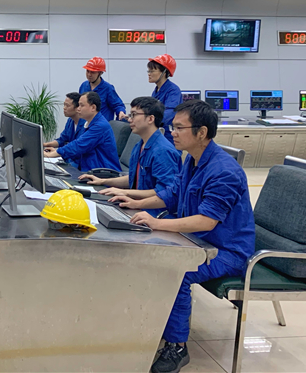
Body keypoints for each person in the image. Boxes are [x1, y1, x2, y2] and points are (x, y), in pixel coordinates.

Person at [109, 100, 255, 373]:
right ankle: (147, 323)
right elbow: (171, 194)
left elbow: (206, 220)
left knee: (177, 270)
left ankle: (177, 347)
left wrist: (158, 223)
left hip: (225, 251)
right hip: (197, 240)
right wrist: (136, 203)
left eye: (179, 128)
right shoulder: (193, 161)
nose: (172, 133)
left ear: (201, 133)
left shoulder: (224, 171)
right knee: (142, 251)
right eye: (172, 127)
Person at [79, 96, 181, 216]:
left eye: (134, 115)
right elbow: (134, 178)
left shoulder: (163, 151)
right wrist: (103, 181)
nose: (129, 119)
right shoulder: (140, 145)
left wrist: (126, 193)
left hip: (153, 215)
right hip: (136, 207)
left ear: (150, 119)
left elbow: (164, 192)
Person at [44, 91, 120, 172]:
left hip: (102, 172)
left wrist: (52, 154)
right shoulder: (89, 123)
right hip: (89, 168)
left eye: (81, 105)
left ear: (93, 107)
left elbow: (78, 145)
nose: (78, 108)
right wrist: (56, 152)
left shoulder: (100, 126)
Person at [43, 92, 85, 167]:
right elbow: (62, 140)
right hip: (70, 158)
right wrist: (45, 144)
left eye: (67, 105)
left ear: (77, 108)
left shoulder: (85, 124)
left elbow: (76, 147)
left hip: (79, 162)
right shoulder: (70, 121)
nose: (64, 108)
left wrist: (55, 153)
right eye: (64, 105)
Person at [79, 57, 126, 121]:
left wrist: (121, 112)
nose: (89, 74)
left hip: (101, 125)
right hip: (85, 124)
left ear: (100, 73)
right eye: (87, 71)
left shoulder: (108, 88)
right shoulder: (83, 86)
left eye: (93, 72)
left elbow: (117, 105)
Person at [149, 54, 181, 146]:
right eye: (149, 71)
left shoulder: (173, 90)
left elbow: (170, 112)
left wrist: (151, 122)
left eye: (152, 71)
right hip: (159, 133)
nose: (149, 74)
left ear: (164, 72)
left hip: (169, 135)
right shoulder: (156, 91)